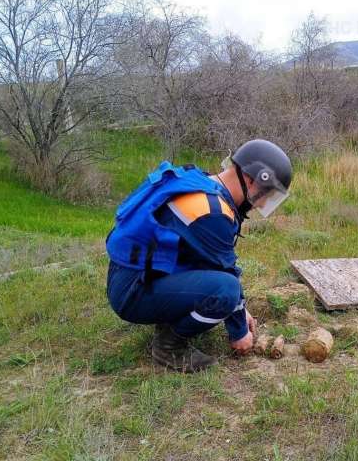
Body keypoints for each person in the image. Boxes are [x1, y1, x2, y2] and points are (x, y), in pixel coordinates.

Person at [105, 139, 292, 373]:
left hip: (132, 277)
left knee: (224, 285)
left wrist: (241, 309)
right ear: (252, 180)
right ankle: (169, 346)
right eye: (267, 194)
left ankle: (166, 314)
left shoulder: (203, 182)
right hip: (132, 294)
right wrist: (239, 333)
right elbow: (226, 274)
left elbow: (216, 260)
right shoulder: (212, 211)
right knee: (226, 290)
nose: (262, 203)